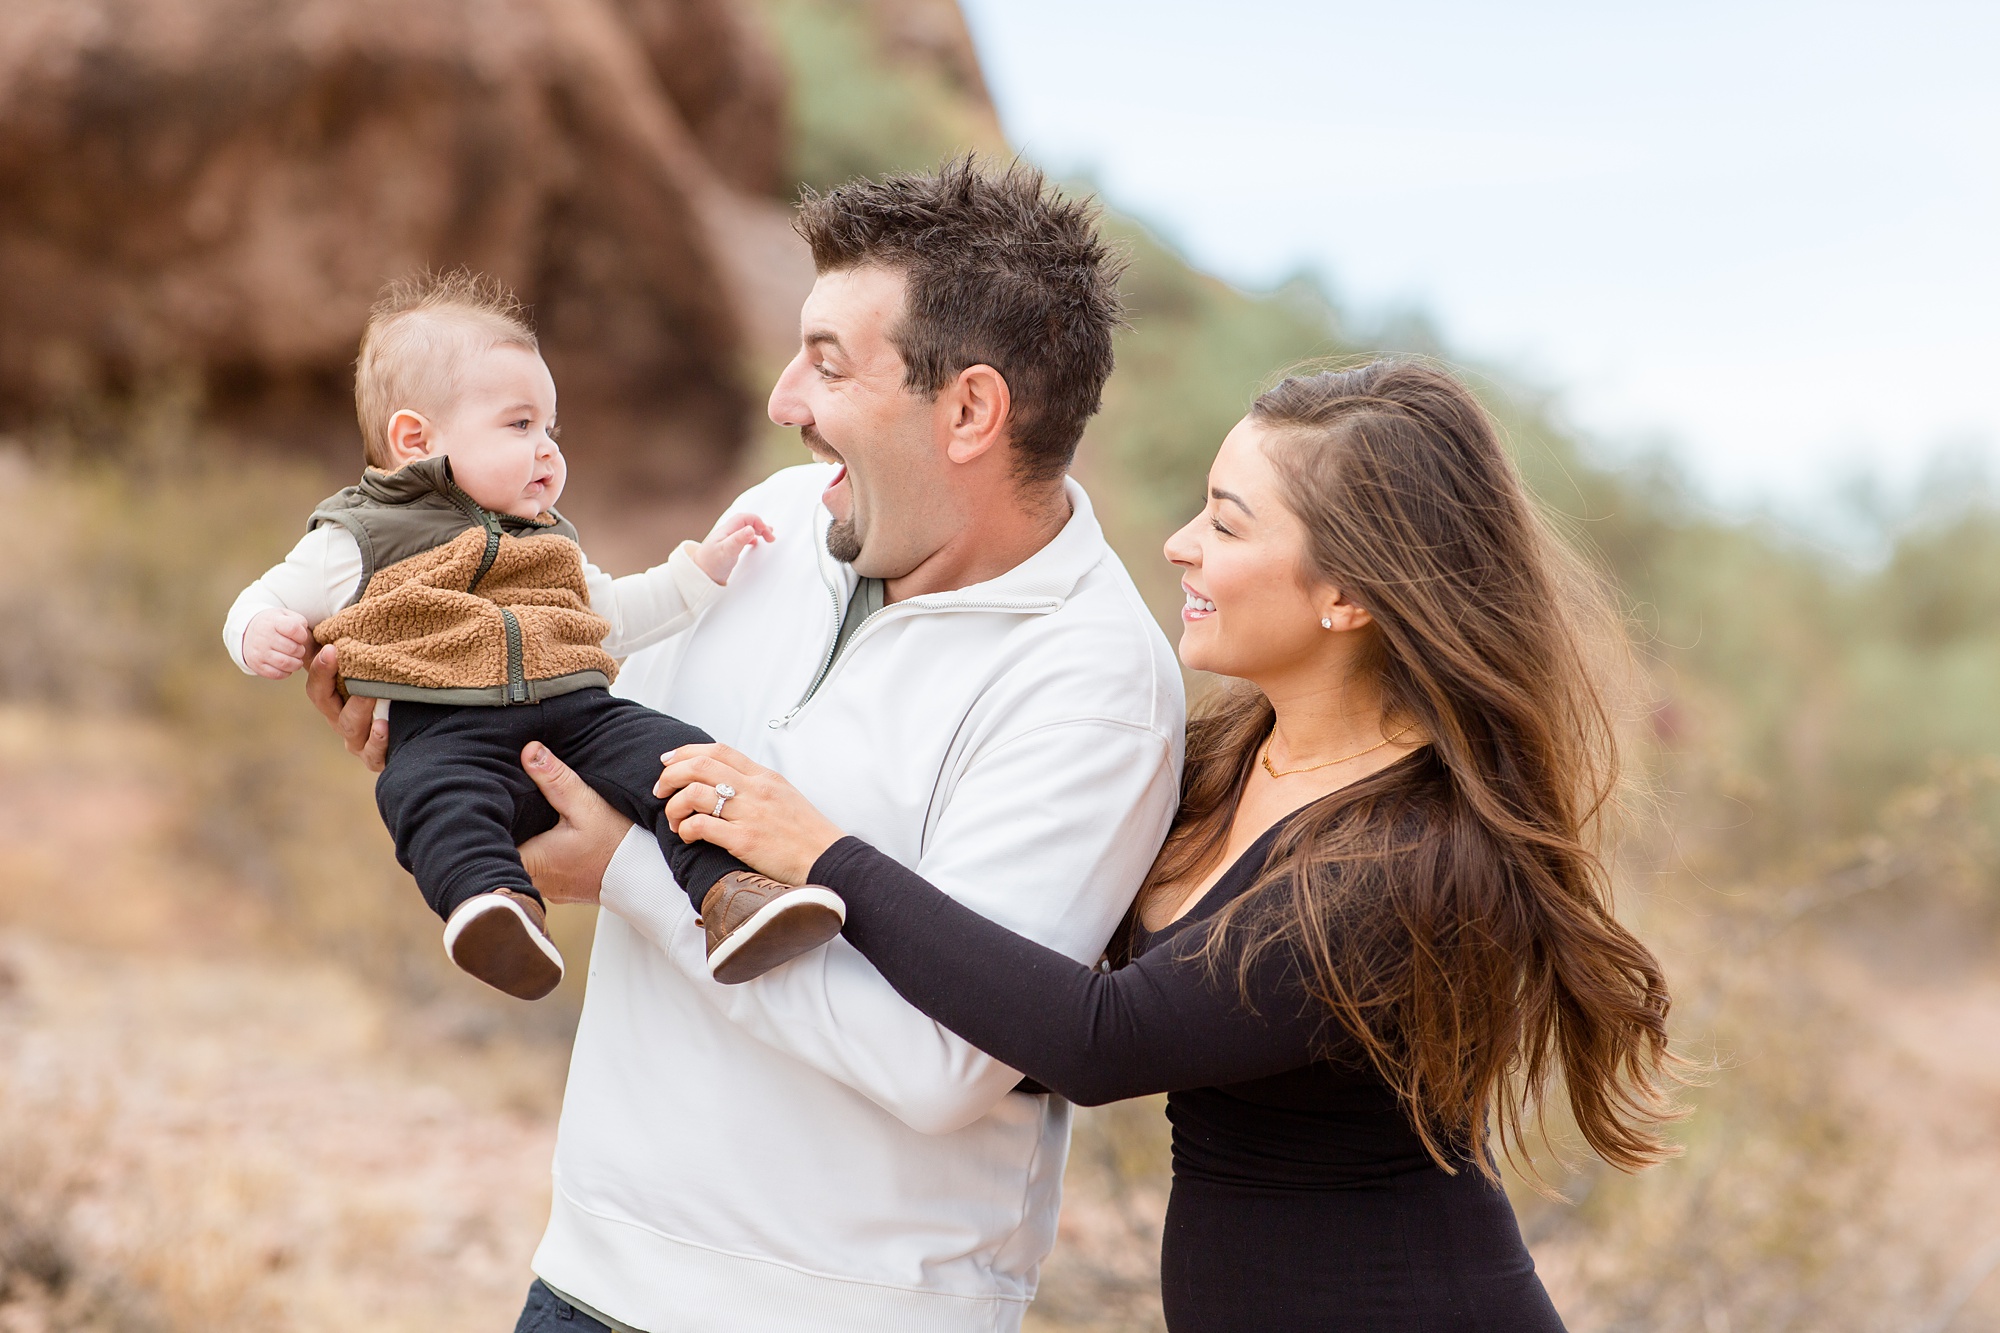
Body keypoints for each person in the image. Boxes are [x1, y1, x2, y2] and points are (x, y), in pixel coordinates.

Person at [309, 160, 1184, 1333]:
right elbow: (574, 756)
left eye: (828, 362)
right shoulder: (773, 521)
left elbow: (940, 1063)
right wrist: (427, 705)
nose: (782, 400)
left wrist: (624, 872)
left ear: (970, 411)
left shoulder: (1094, 682)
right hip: (588, 1274)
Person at [655, 360, 1685, 1331]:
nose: (1179, 545)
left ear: (1349, 595)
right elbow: (1018, 971)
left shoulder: (1410, 862)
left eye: (1227, 525)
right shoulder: (1225, 761)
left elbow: (1100, 1040)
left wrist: (825, 856)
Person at [226, 269, 842, 1000]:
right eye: (520, 425)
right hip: (445, 729)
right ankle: (495, 905)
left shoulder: (548, 540)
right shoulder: (359, 536)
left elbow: (613, 616)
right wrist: (260, 630)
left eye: (552, 429)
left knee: (676, 759)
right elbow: (262, 598)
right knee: (427, 794)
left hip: (580, 718)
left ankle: (732, 895)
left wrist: (699, 571)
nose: (548, 449)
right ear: (416, 439)